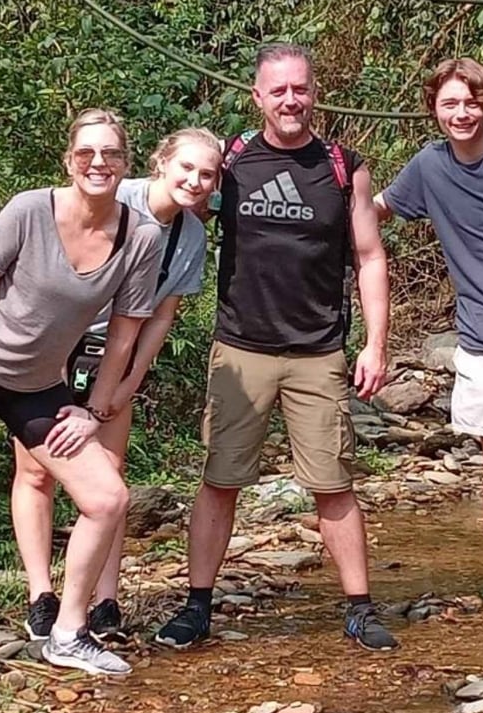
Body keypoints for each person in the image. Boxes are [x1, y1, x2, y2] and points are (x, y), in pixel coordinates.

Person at [0, 108, 164, 699]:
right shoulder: (28, 210)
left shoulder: (141, 237)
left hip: (40, 382)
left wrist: (92, 410)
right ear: (69, 161)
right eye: (87, 153)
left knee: (107, 496)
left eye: (111, 154)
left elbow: (123, 335)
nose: (99, 164)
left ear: (126, 162)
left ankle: (69, 633)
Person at [154, 43, 399, 652]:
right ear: (258, 96)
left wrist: (376, 344)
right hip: (240, 348)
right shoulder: (230, 161)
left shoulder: (345, 167)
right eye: (278, 90)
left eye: (301, 88)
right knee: (220, 478)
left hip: (319, 351)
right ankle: (198, 605)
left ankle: (360, 608)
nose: (291, 100)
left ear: (314, 93)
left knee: (333, 483)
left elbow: (369, 256)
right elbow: (174, 205)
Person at [10, 128, 221, 645]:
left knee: (109, 474)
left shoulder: (189, 237)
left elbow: (160, 317)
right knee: (36, 470)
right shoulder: (116, 197)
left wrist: (128, 384)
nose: (193, 181)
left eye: (206, 174)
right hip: (54, 343)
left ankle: (105, 596)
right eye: (185, 168)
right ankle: (41, 593)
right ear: (160, 164)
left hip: (113, 353)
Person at [373, 58, 483, 652]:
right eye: (449, 104)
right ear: (434, 109)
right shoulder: (429, 166)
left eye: (471, 102)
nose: (461, 114)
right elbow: (375, 212)